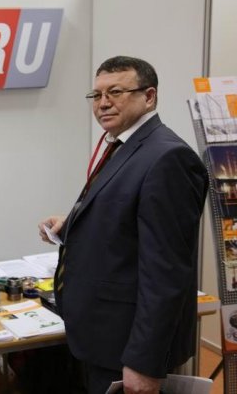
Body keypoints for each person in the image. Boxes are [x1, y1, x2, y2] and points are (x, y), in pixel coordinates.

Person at [38, 56, 208, 394]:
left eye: (115, 92)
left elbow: (166, 272)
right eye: (97, 95)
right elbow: (127, 219)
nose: (103, 103)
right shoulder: (122, 146)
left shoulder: (167, 157)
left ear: (149, 96)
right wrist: (71, 224)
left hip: (128, 347)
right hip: (101, 336)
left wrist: (144, 362)